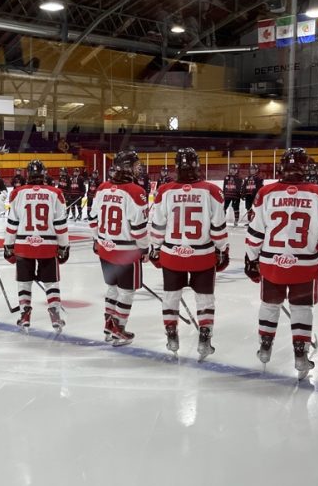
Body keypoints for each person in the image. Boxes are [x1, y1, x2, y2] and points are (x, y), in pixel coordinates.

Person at [244, 148, 318, 379]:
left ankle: (265, 348)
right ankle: (301, 355)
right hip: (305, 264)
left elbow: (255, 232)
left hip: (272, 263)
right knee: (302, 310)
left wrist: (251, 258)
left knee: (269, 306)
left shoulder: (266, 192)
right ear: (304, 167)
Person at [149, 148, 229, 360]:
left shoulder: (164, 191)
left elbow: (158, 226)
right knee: (205, 299)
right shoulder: (211, 190)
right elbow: (218, 228)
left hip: (172, 254)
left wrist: (155, 247)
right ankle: (205, 338)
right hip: (202, 255)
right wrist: (222, 249)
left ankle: (171, 335)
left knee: (170, 296)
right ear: (197, 165)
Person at [88, 151, 149, 345]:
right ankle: (119, 329)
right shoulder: (135, 191)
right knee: (127, 291)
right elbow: (139, 229)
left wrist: (97, 240)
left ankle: (109, 325)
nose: (138, 168)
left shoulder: (102, 187)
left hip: (106, 248)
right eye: (135, 164)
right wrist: (145, 248)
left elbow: (92, 219)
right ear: (127, 167)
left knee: (112, 288)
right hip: (127, 250)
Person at [4, 160, 70, 332]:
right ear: (44, 174)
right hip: (48, 245)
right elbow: (61, 224)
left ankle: (24, 315)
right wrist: (64, 246)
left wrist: (8, 245)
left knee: (24, 283)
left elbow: (12, 223)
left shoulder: (18, 193)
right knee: (51, 283)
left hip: (24, 245)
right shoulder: (55, 193)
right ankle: (55, 314)